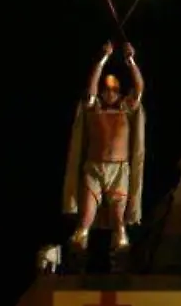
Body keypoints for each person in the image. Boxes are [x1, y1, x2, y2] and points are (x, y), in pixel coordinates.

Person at [63, 42, 146, 251]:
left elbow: (139, 88)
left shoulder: (126, 108)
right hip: (94, 169)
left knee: (119, 225)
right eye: (107, 89)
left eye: (114, 89)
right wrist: (102, 59)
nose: (110, 93)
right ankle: (77, 261)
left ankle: (120, 262)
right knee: (83, 224)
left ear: (119, 91)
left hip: (118, 171)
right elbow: (91, 89)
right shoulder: (94, 108)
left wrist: (131, 61)